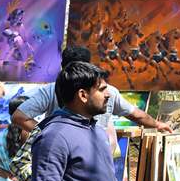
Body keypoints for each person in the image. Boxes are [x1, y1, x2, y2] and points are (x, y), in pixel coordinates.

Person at [12, 46, 171, 135]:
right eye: (101, 90)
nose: (106, 94)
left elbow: (20, 117)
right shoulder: (51, 91)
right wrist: (49, 135)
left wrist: (46, 134)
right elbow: (135, 114)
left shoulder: (51, 90)